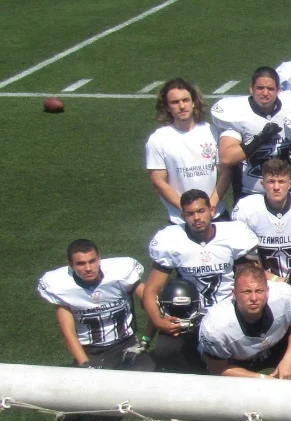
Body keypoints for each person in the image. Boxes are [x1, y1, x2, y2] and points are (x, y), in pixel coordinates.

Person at [144, 190, 260, 373]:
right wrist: (159, 322)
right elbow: (152, 289)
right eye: (190, 213)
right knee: (166, 353)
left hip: (228, 312)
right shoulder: (172, 240)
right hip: (190, 317)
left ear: (211, 210)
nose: (196, 217)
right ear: (183, 216)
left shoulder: (232, 235)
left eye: (201, 211)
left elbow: (252, 278)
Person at [198, 262, 291, 381]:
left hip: (277, 344)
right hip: (240, 360)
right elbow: (217, 368)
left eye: (259, 291)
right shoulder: (216, 326)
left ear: (268, 291)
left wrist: (289, 358)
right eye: (246, 292)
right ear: (234, 294)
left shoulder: (284, 295)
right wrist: (262, 379)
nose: (253, 298)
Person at [38, 240, 153, 371]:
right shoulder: (62, 287)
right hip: (91, 351)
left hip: (126, 344)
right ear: (70, 265)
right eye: (80, 264)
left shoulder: (120, 274)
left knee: (147, 374)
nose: (88, 268)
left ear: (99, 260)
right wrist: (85, 363)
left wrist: (145, 341)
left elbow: (154, 305)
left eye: (92, 261)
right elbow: (67, 332)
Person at [211, 67, 291, 198]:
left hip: (285, 190)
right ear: (251, 89)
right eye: (260, 88)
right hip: (250, 192)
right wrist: (259, 139)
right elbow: (227, 157)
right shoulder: (237, 113)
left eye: (270, 89)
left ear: (279, 90)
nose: (265, 93)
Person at [146, 78, 230, 224]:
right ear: (166, 107)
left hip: (216, 215)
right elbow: (158, 181)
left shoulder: (212, 131)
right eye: (175, 102)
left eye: (185, 100)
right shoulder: (158, 139)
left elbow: (226, 172)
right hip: (181, 219)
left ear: (193, 102)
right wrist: (189, 210)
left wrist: (211, 205)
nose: (181, 106)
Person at [231, 158, 291, 285]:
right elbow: (246, 263)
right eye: (271, 182)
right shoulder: (248, 209)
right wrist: (275, 280)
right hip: (263, 280)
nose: (276, 187)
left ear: (290, 184)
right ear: (263, 184)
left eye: (281, 182)